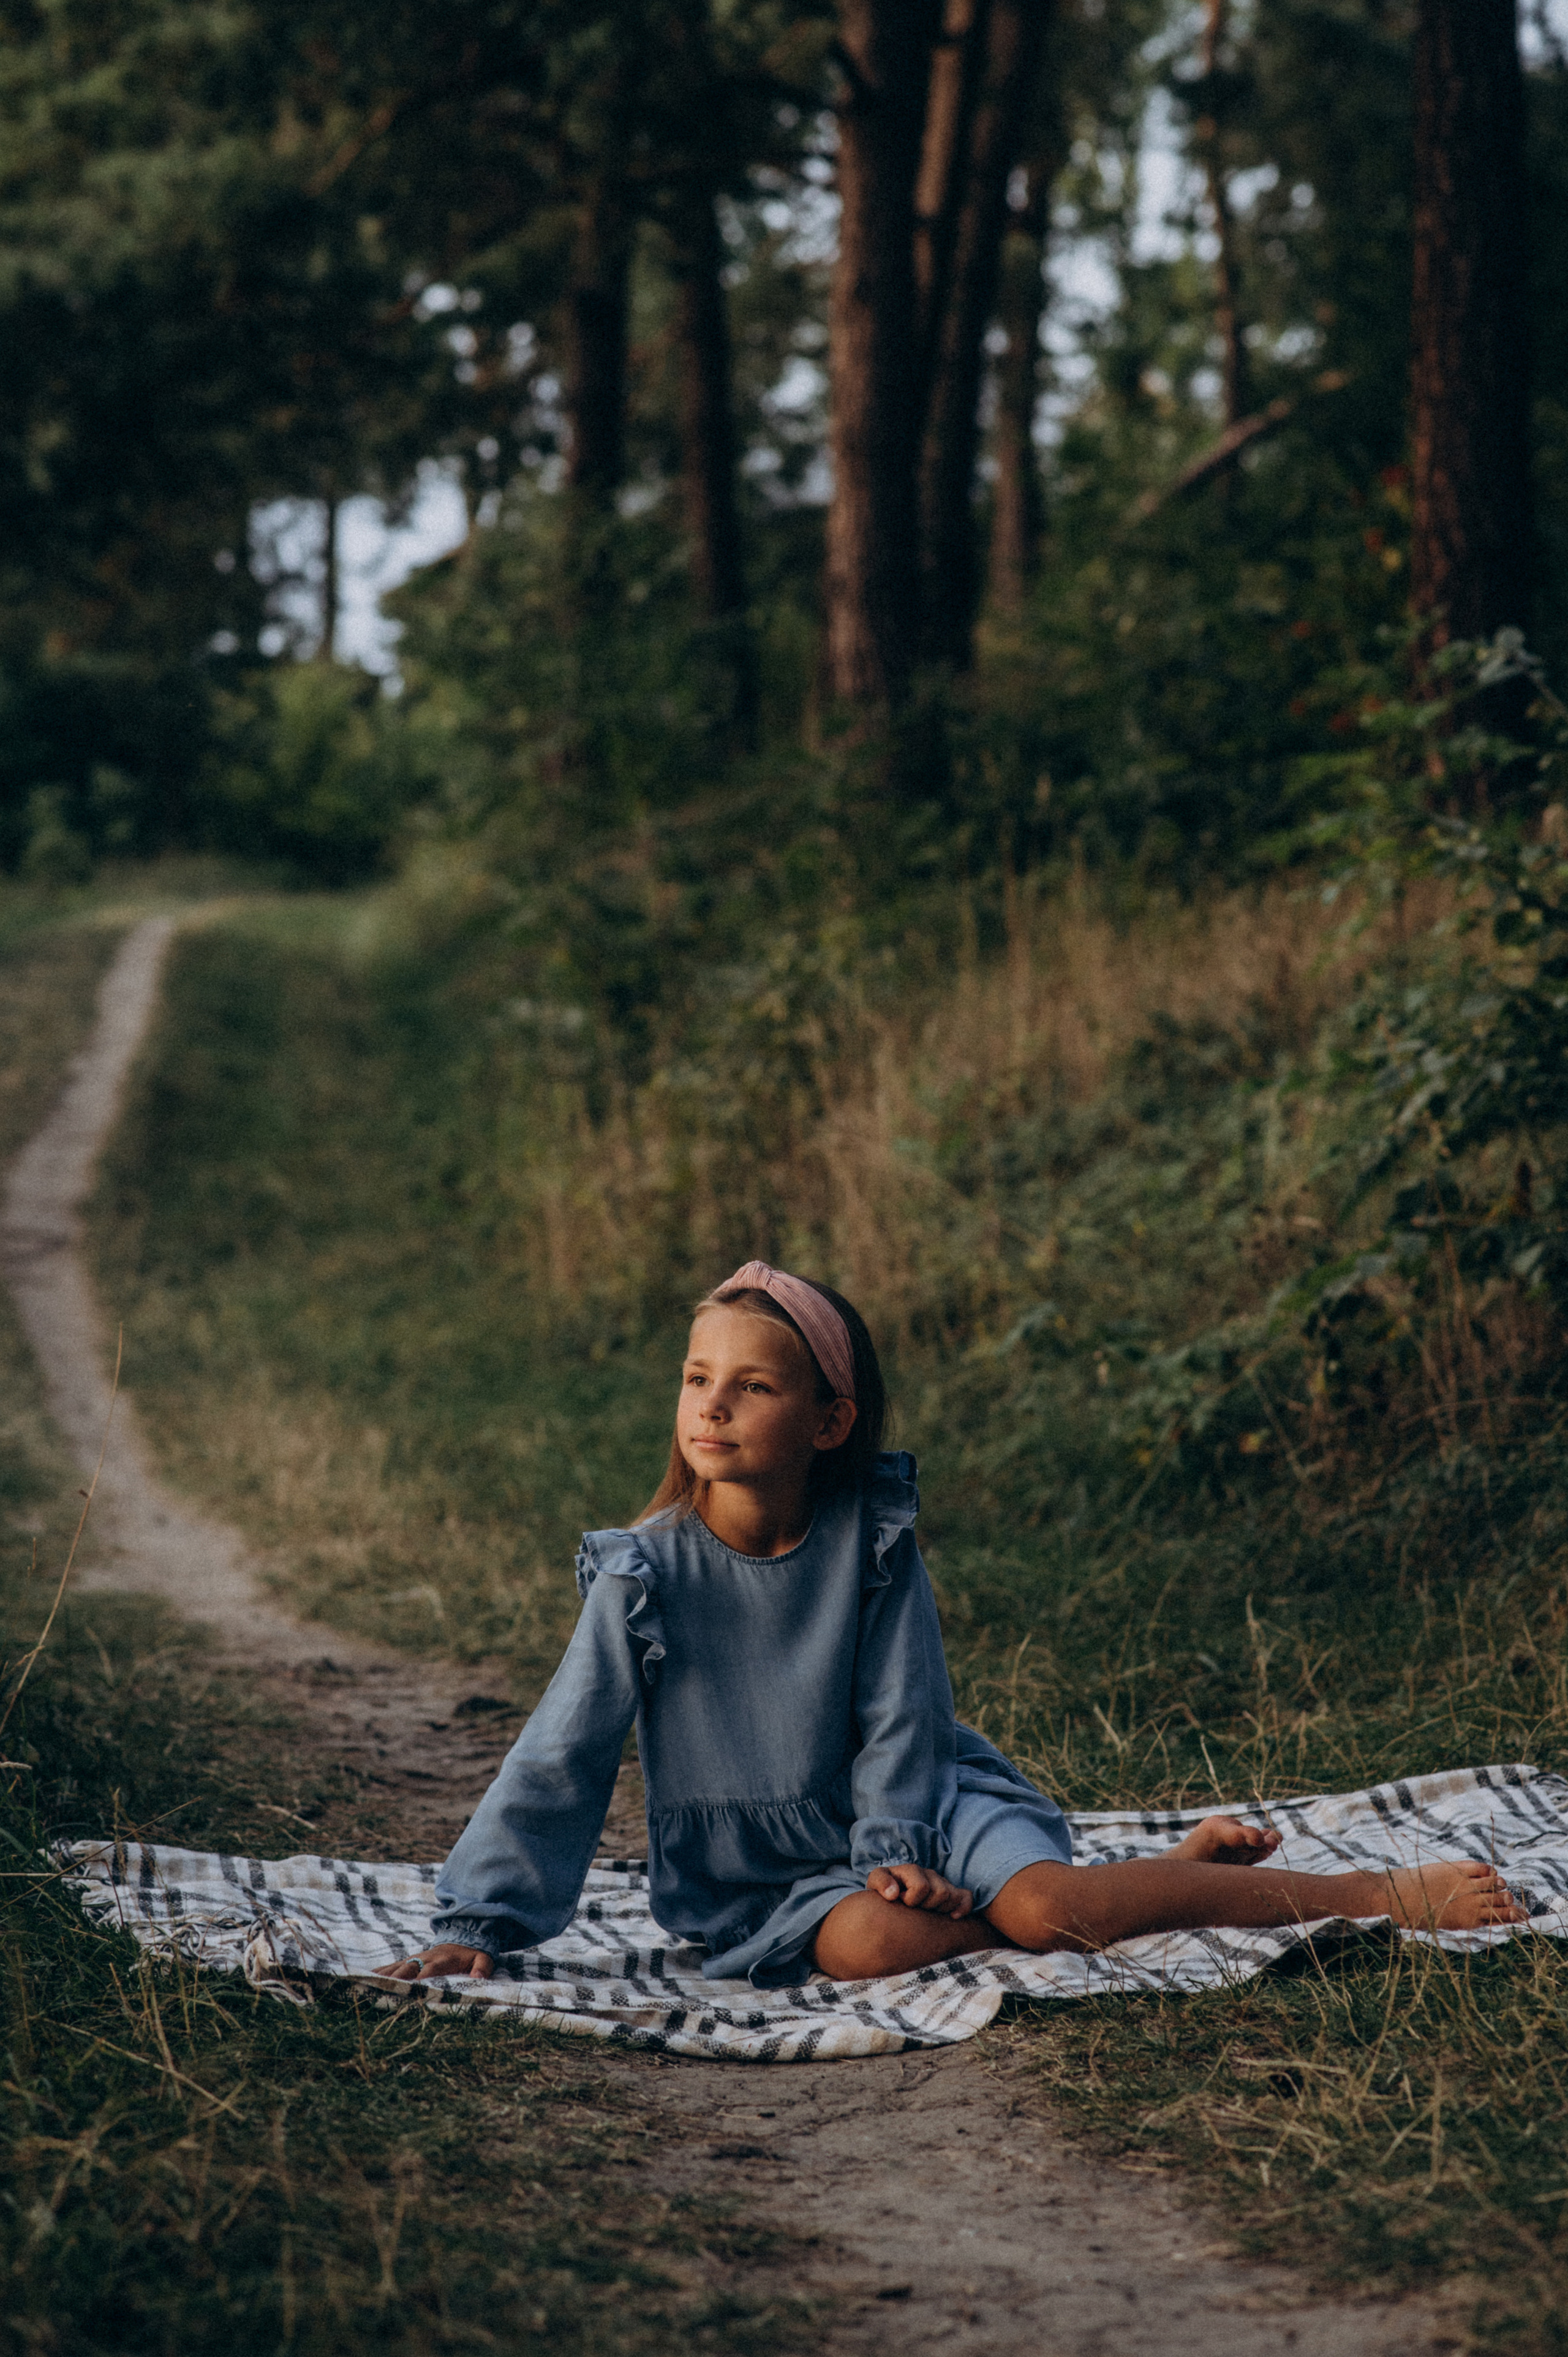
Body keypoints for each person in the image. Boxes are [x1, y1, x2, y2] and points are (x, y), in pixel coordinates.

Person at [378, 1262, 1523, 1989]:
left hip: (924, 1795)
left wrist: (898, 1850)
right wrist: (484, 1919)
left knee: (1050, 1910)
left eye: (752, 1386)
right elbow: (563, 1752)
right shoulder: (643, 1576)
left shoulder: (871, 1544)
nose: (711, 1405)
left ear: (830, 1422)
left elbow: (905, 1715)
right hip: (765, 1876)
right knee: (872, 1949)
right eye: (695, 1377)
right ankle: (1150, 1892)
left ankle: (1372, 1896)